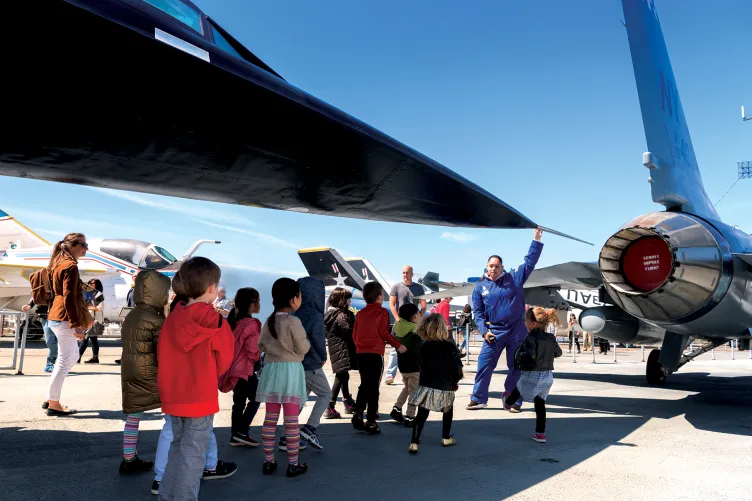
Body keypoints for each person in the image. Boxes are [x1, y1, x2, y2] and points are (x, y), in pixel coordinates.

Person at [156, 257, 236, 501]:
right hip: (200, 396)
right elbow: (225, 360)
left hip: (174, 395)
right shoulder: (216, 321)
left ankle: (166, 496)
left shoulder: (171, 319)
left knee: (177, 448)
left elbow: (162, 353)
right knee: (194, 454)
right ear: (212, 288)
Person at [467, 228, 544, 412]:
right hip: (494, 331)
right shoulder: (480, 288)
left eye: (497, 266)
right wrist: (484, 331)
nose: (493, 269)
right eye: (490, 266)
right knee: (484, 364)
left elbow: (529, 262)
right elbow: (477, 313)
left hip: (517, 329)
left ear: (502, 267)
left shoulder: (514, 278)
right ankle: (478, 398)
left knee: (517, 366)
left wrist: (536, 240)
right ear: (486, 267)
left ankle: (513, 399)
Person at [256, 278, 310, 478]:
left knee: (269, 420)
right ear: (294, 298)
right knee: (291, 421)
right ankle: (293, 464)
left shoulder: (269, 320)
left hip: (271, 372)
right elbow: (303, 347)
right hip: (291, 372)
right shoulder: (293, 321)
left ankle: (268, 461)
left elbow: (260, 345)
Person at [119, 270, 171, 474]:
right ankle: (169, 461)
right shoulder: (155, 319)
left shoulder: (132, 315)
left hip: (130, 369)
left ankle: (129, 458)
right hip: (151, 371)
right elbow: (163, 349)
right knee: (170, 414)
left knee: (134, 415)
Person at [44, 233, 93, 416]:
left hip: (55, 316)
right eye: (83, 244)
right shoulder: (70, 266)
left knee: (70, 356)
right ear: (73, 245)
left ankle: (51, 396)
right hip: (64, 318)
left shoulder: (56, 263)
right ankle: (53, 402)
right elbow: (69, 298)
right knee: (66, 359)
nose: (86, 248)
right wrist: (76, 325)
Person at [351, 281, 407, 435]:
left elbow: (354, 335)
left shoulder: (360, 314)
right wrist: (398, 345)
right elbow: (384, 333)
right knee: (373, 386)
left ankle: (357, 413)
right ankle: (371, 420)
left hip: (361, 354)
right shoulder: (382, 312)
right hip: (375, 354)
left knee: (364, 384)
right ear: (379, 297)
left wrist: (360, 347)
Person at [505, 307, 562, 443]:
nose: (525, 323)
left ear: (533, 323)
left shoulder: (530, 338)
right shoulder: (550, 338)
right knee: (540, 404)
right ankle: (540, 433)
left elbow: (531, 355)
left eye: (526, 321)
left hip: (533, 374)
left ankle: (508, 402)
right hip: (547, 377)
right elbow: (558, 353)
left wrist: (520, 355)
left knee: (519, 387)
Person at [408, 314, 463, 453]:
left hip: (426, 383)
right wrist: (455, 381)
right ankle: (446, 437)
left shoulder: (423, 346)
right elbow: (458, 368)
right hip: (446, 385)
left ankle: (414, 442)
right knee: (447, 410)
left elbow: (421, 365)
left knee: (422, 413)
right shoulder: (449, 346)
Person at [218, 287, 262, 448]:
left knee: (239, 402)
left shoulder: (233, 321)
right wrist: (258, 359)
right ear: (251, 304)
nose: (259, 304)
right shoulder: (250, 324)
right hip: (245, 370)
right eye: (257, 301)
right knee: (257, 397)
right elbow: (252, 350)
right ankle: (241, 432)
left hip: (232, 370)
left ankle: (236, 434)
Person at [293, 276, 329, 450]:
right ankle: (310, 427)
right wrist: (323, 356)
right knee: (325, 394)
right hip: (311, 363)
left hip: (297, 362)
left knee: (301, 398)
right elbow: (318, 340)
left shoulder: (295, 313)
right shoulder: (315, 314)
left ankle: (287, 436)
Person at [385, 266, 426, 385]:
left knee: (417, 347)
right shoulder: (396, 287)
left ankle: (418, 373)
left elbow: (423, 305)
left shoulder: (419, 288)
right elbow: (392, 304)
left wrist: (419, 319)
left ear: (412, 274)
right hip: (401, 322)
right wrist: (397, 319)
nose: (405, 274)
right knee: (394, 348)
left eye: (407, 272)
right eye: (403, 272)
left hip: (414, 324)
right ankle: (390, 374)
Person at [324, 287, 357, 419]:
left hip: (335, 349)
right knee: (341, 376)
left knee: (343, 375)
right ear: (342, 301)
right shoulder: (342, 315)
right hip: (342, 348)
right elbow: (349, 330)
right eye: (348, 299)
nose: (350, 302)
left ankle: (347, 401)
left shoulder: (329, 314)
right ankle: (330, 406)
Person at [390, 303, 423, 427]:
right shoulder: (416, 330)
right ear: (414, 317)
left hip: (402, 364)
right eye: (419, 314)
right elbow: (420, 349)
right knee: (414, 391)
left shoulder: (397, 327)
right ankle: (410, 417)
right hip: (415, 366)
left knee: (408, 388)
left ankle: (397, 409)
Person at [22, 298, 56, 373]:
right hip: (47, 317)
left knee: (61, 343)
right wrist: (29, 305)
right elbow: (37, 294)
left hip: (62, 317)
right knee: (50, 341)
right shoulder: (45, 286)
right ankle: (52, 363)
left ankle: (53, 364)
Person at [78, 278, 104, 364]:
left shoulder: (98, 295)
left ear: (97, 285)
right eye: (89, 282)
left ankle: (78, 357)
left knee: (85, 338)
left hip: (94, 321)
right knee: (93, 339)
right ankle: (95, 358)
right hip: (88, 319)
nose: (89, 284)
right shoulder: (88, 294)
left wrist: (88, 308)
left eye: (92, 283)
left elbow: (100, 307)